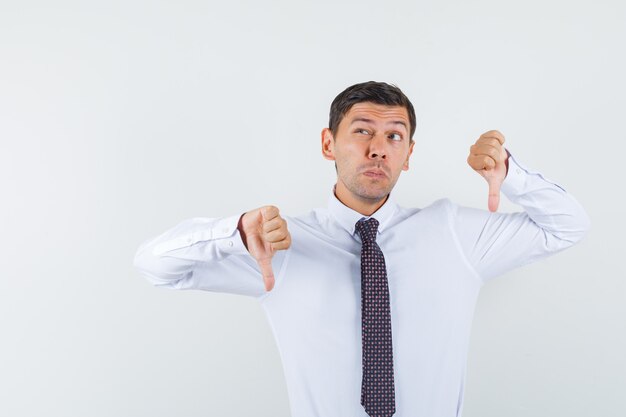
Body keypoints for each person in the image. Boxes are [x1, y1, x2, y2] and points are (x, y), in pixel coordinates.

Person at [133, 81, 589, 417]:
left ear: (409, 154)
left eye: (394, 136)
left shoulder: (453, 233)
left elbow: (567, 227)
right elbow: (155, 266)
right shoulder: (275, 244)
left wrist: (511, 174)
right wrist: (232, 231)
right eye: (362, 132)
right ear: (329, 143)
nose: (378, 150)